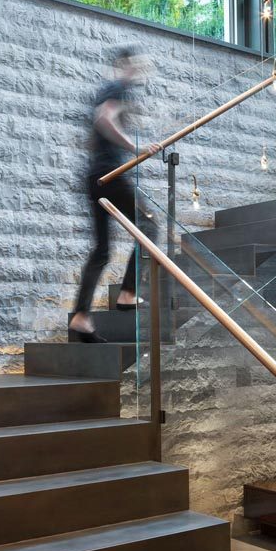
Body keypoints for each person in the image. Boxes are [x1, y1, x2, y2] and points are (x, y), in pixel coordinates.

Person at [70, 48, 162, 342]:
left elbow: (95, 133)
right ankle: (127, 292)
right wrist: (135, 148)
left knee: (102, 250)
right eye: (135, 65)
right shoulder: (116, 88)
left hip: (95, 177)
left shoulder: (109, 90)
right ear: (122, 65)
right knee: (149, 226)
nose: (139, 71)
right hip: (111, 175)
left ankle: (81, 316)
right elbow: (103, 120)